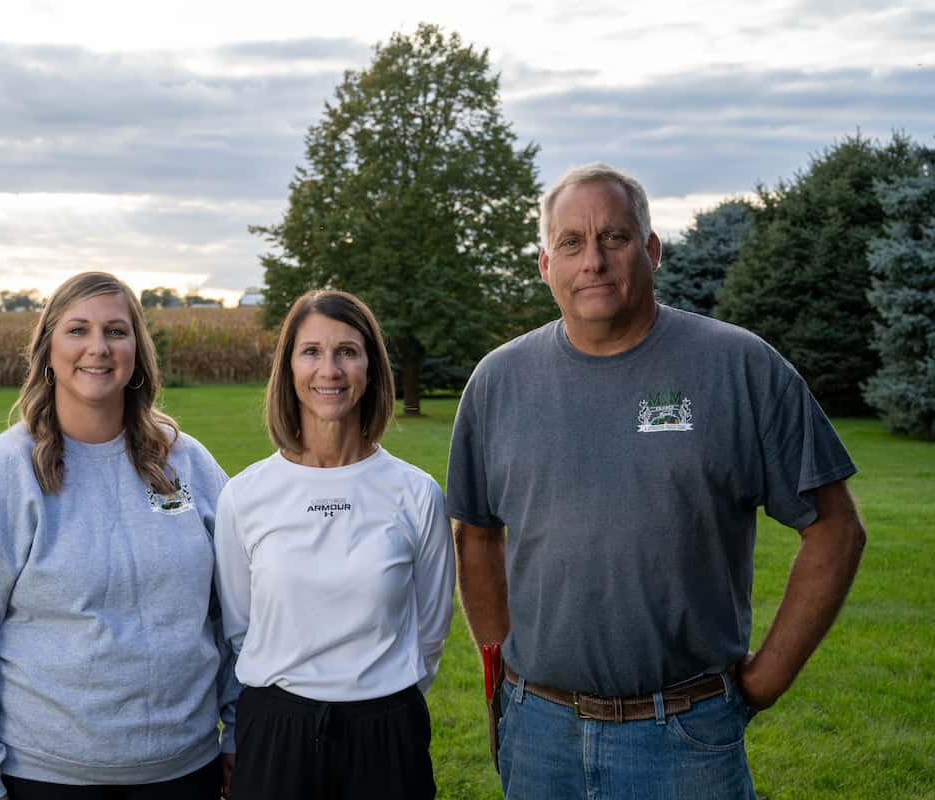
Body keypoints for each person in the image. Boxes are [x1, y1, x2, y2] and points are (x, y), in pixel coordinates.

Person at [447, 163, 867, 799]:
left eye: (614, 238)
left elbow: (836, 530)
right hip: (540, 739)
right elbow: (475, 537)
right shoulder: (498, 382)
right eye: (571, 242)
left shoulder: (739, 368)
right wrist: (502, 677)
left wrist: (766, 679)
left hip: (685, 740)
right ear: (544, 264)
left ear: (651, 250)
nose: (593, 260)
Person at [0, 272, 239, 800]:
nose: (98, 348)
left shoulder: (188, 463)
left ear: (137, 350)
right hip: (45, 775)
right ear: (47, 350)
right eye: (77, 330)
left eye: (116, 331)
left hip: (185, 769)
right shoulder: (1, 474)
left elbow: (239, 608)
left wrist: (238, 729)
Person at [213, 290, 455, 800]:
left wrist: (374, 701)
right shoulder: (246, 495)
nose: (330, 369)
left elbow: (430, 632)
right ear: (289, 367)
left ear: (370, 367)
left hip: (387, 734)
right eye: (312, 352)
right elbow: (239, 628)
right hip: (277, 734)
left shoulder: (415, 493)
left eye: (347, 351)